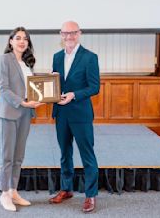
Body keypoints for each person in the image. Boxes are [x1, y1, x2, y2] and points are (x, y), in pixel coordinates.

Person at [49, 21, 100, 213]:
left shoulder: (90, 57)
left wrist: (73, 95)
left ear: (79, 34)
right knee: (64, 154)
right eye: (65, 33)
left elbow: (94, 87)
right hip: (61, 113)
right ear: (60, 35)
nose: (68, 36)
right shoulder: (56, 57)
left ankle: (90, 195)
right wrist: (51, 82)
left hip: (81, 113)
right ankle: (66, 188)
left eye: (72, 33)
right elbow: (57, 84)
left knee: (87, 154)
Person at [0, 27, 45, 212]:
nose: (22, 41)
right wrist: (23, 102)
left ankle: (14, 190)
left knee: (18, 156)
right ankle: (4, 194)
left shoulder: (28, 63)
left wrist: (38, 99)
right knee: (7, 156)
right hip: (8, 112)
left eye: (25, 39)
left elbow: (32, 89)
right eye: (18, 38)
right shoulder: (4, 60)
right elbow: (4, 89)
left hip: (25, 114)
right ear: (11, 41)